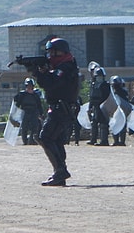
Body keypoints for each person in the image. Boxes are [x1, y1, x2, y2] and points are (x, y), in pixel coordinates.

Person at [31, 37, 80, 187]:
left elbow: (50, 84)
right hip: (61, 108)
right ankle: (59, 172)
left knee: (45, 137)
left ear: (61, 52)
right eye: (49, 52)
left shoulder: (65, 68)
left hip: (61, 109)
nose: (50, 56)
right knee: (56, 140)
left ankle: (60, 171)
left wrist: (39, 73)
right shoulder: (63, 67)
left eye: (53, 52)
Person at [13, 78, 43, 145]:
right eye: (28, 86)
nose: (29, 88)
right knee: (24, 127)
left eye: (30, 86)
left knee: (35, 127)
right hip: (25, 112)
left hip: (34, 112)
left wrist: (41, 113)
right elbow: (17, 103)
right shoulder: (22, 95)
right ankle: (25, 141)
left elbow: (39, 105)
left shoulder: (36, 95)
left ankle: (32, 140)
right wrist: (15, 112)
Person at [87, 66, 110, 146]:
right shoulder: (93, 85)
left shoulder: (106, 85)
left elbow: (108, 96)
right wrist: (90, 107)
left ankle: (104, 141)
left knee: (103, 123)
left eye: (101, 76)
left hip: (103, 106)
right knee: (94, 122)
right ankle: (93, 139)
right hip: (95, 105)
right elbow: (91, 97)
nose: (99, 78)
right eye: (98, 76)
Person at [110, 75, 129, 146]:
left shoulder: (123, 92)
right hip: (116, 111)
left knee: (121, 127)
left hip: (121, 111)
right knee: (115, 126)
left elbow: (126, 102)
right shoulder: (113, 93)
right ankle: (117, 141)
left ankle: (121, 141)